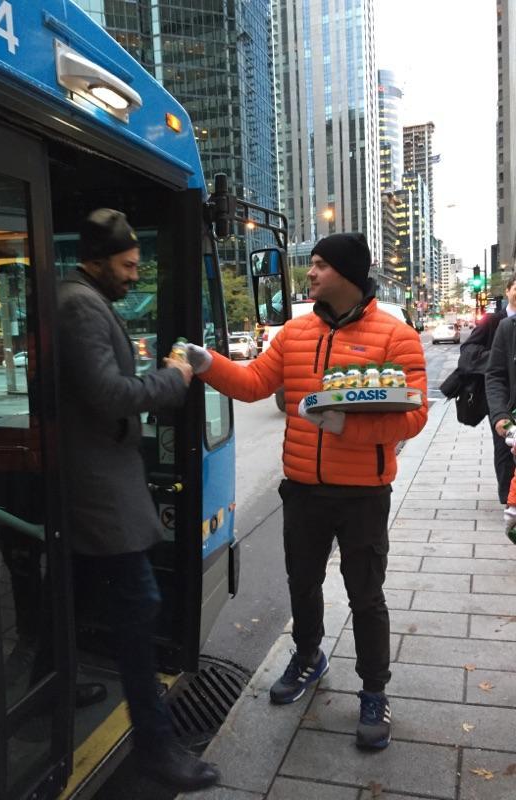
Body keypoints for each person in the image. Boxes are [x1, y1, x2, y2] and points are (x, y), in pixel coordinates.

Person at [187, 232, 428, 750]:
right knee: (303, 583)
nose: (310, 273)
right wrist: (206, 364)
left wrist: (343, 426)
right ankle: (308, 656)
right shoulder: (295, 334)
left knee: (366, 596)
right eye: (311, 264)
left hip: (364, 492)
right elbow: (253, 383)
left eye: (319, 265)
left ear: (346, 272)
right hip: (303, 490)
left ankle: (373, 691)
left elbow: (413, 415)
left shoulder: (395, 337)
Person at [57, 208, 218, 792]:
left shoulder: (85, 298)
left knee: (72, 597)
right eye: (126, 266)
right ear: (97, 261)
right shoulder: (78, 304)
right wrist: (174, 376)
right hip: (101, 493)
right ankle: (155, 747)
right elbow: (108, 394)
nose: (133, 275)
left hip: (99, 487)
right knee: (138, 609)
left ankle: (58, 683)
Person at [459, 276, 516, 504]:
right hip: (507, 408)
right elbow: (492, 371)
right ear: (508, 290)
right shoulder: (500, 323)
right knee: (505, 454)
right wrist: (500, 413)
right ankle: (509, 502)